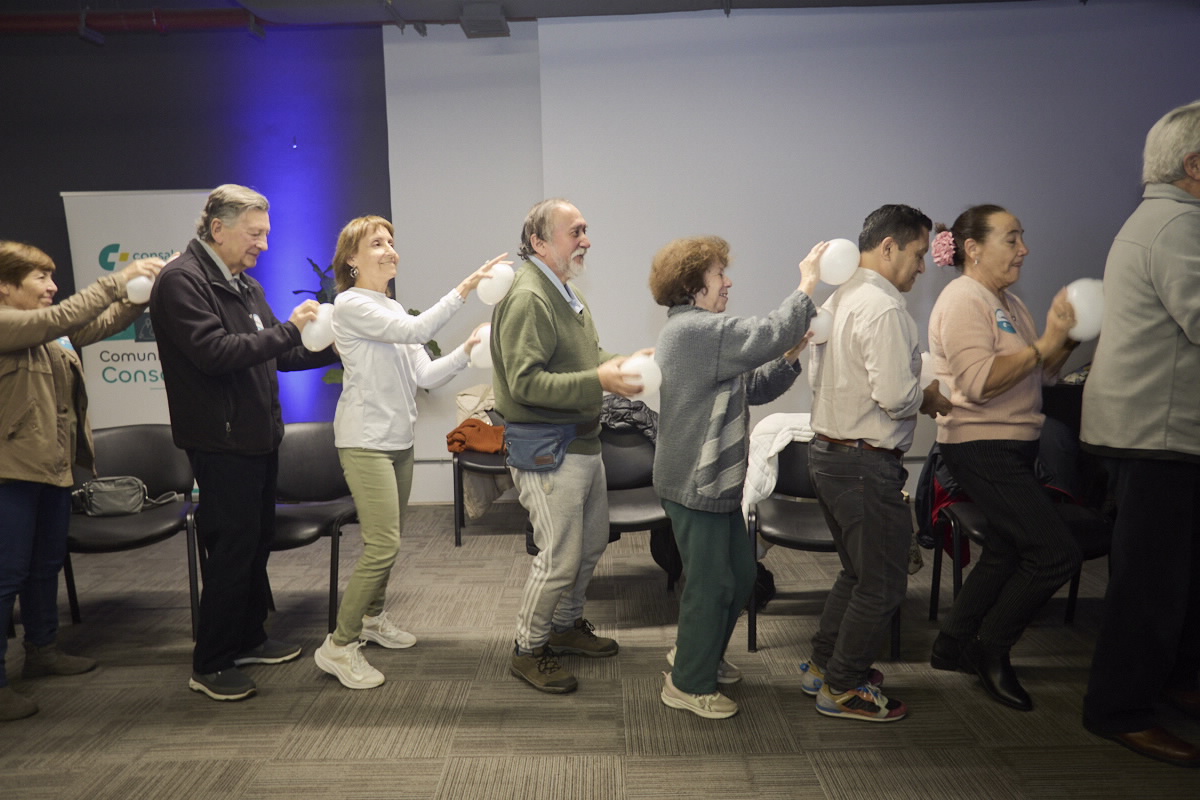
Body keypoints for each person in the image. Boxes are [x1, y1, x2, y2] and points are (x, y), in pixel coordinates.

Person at [150, 184, 338, 702]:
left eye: (265, 234)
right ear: (218, 229)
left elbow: (280, 353)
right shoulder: (181, 281)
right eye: (255, 234)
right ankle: (210, 663)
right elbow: (214, 352)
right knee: (232, 549)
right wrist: (291, 330)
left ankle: (249, 637)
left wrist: (337, 346)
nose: (264, 245)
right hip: (221, 441)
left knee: (255, 543)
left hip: (257, 437)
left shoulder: (244, 284)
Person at [312, 215, 508, 689]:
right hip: (364, 441)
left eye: (391, 241)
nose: (390, 250)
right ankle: (339, 645)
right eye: (376, 244)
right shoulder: (349, 304)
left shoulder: (392, 309)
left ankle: (372, 619)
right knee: (383, 545)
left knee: (389, 540)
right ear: (352, 260)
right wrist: (464, 288)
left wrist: (467, 350)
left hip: (398, 440)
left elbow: (425, 375)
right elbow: (418, 330)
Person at [651, 235, 824, 719]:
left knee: (741, 575)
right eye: (718, 274)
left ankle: (697, 652)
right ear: (693, 285)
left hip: (713, 482)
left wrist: (792, 355)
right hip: (696, 481)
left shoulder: (706, 337)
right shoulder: (693, 331)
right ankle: (688, 683)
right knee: (711, 586)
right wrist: (807, 285)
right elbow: (767, 331)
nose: (728, 282)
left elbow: (755, 386)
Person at [1081, 100, 1200, 768]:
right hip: (1159, 432)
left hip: (1163, 430)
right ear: (1195, 165)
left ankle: (1175, 681)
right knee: (1151, 583)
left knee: (1180, 576)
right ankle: (1118, 710)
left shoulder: (1164, 219)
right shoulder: (1178, 226)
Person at [926, 204, 1081, 712]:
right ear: (973, 249)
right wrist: (1043, 345)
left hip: (1012, 443)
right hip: (980, 446)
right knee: (1054, 553)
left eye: (1022, 238)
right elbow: (978, 382)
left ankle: (952, 645)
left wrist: (1066, 337)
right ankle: (989, 649)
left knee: (1006, 549)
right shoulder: (962, 299)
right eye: (1011, 239)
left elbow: (1042, 373)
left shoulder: (1008, 302)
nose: (1024, 249)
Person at [0, 241, 164, 721]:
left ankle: (42, 649)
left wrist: (137, 296)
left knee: (44, 566)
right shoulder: (11, 325)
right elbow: (61, 318)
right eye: (41, 278)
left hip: (52, 467)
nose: (52, 287)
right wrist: (116, 280)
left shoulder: (49, 336)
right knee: (6, 575)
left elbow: (94, 325)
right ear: (5, 286)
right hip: (10, 472)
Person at [804, 205, 951, 723]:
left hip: (830, 454)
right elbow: (894, 396)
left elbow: (823, 378)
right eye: (918, 254)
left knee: (858, 573)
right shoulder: (884, 307)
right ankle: (842, 687)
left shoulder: (839, 296)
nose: (923, 266)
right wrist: (928, 396)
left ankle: (824, 666)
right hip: (863, 463)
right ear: (888, 247)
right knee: (884, 584)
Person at [492, 198, 644, 694]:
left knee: (591, 544)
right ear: (539, 242)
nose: (586, 240)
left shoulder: (564, 291)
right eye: (575, 231)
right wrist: (599, 380)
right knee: (559, 559)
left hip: (582, 443)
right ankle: (528, 649)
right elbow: (525, 384)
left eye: (585, 230)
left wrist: (623, 366)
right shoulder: (528, 297)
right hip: (547, 449)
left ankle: (564, 626)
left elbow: (589, 355)